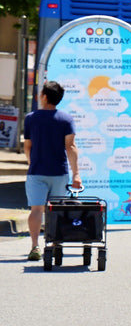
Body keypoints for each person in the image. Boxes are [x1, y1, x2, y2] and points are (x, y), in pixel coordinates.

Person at [23, 81, 81, 261]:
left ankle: (35, 246)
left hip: (37, 171)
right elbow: (70, 147)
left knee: (36, 210)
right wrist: (76, 174)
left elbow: (27, 146)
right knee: (55, 210)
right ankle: (56, 244)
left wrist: (32, 162)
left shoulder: (31, 118)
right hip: (59, 172)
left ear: (44, 96)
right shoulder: (66, 119)